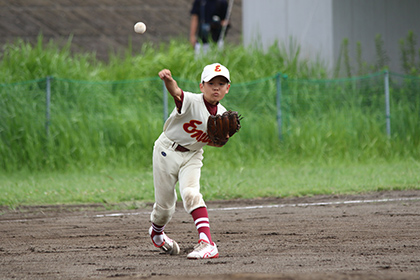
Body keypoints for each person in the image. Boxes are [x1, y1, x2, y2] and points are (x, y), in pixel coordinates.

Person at [149, 63, 231, 259]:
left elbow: (217, 143)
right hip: (166, 151)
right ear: (202, 86)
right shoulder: (193, 101)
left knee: (190, 193)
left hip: (193, 155)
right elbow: (176, 92)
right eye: (211, 83)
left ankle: (207, 243)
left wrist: (222, 140)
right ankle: (157, 234)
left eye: (221, 83)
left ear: (228, 88)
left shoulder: (224, 115)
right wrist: (168, 80)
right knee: (164, 210)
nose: (216, 87)